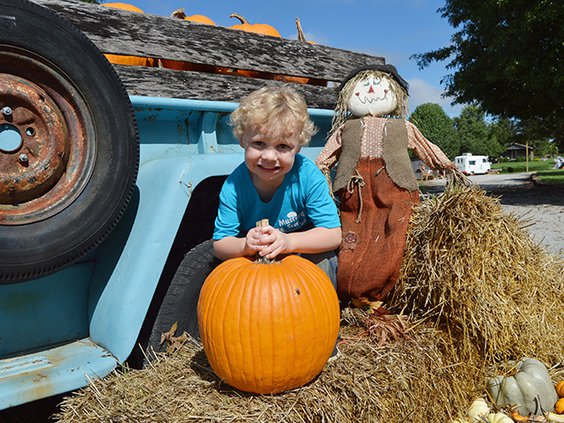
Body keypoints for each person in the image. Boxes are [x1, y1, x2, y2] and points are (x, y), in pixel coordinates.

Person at [316, 64, 455, 305]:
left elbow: (425, 147)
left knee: (394, 236)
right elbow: (325, 159)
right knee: (352, 238)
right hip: (354, 196)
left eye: (378, 85)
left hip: (396, 190)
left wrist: (446, 165)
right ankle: (352, 290)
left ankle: (382, 292)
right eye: (363, 86)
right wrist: (321, 176)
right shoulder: (345, 128)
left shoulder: (404, 127)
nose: (370, 89)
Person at [213, 85, 342, 284]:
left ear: (298, 147)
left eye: (282, 146)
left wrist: (289, 242)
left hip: (301, 250)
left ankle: (314, 313)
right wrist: (245, 245)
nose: (269, 157)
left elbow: (332, 235)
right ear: (242, 140)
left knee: (323, 262)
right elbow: (220, 244)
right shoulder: (233, 187)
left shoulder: (307, 176)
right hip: (259, 256)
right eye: (259, 143)